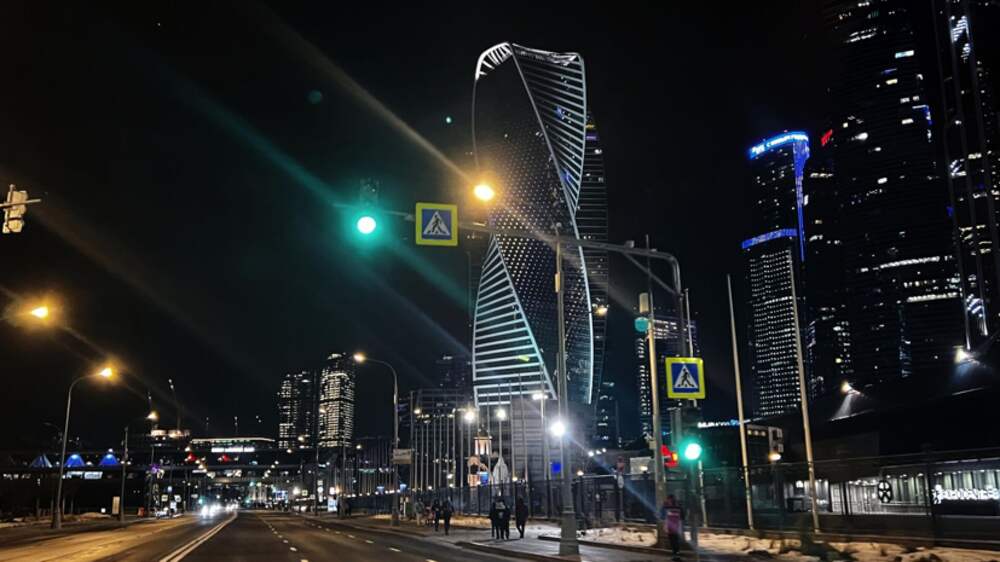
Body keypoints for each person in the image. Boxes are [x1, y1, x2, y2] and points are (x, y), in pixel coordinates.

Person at [660, 495, 684, 561]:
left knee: (673, 540)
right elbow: (682, 517)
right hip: (676, 525)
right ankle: (676, 554)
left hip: (671, 525)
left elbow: (662, 515)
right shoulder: (678, 506)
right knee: (675, 540)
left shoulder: (666, 506)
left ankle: (676, 554)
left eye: (668, 499)